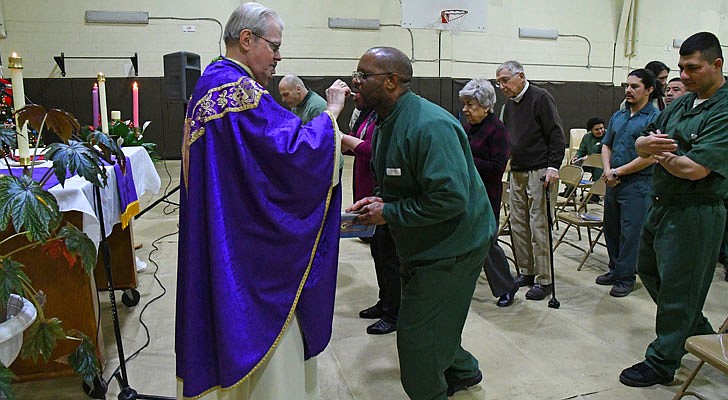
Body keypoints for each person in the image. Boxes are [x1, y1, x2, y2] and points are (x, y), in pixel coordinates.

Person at [176, 3, 351, 399]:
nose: (278, 57)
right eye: (274, 46)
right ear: (246, 39)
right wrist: (332, 116)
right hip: (252, 249)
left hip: (229, 228)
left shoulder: (209, 83)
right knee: (268, 333)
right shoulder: (238, 90)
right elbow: (292, 154)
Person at [347, 47, 494, 399]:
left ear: (392, 81)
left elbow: (450, 198)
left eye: (364, 75)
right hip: (425, 242)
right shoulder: (385, 122)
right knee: (435, 323)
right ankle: (464, 370)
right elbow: (400, 180)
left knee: (415, 342)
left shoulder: (430, 126)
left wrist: (391, 213)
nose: (355, 82)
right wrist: (381, 199)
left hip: (455, 246)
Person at [620, 31, 728, 387]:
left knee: (679, 289)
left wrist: (655, 152)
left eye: (692, 67)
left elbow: (694, 169)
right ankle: (697, 330)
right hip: (662, 204)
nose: (683, 75)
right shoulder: (684, 102)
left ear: (717, 64)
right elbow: (642, 140)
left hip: (696, 211)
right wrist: (652, 147)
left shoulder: (724, 108)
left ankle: (663, 361)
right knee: (647, 270)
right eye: (681, 67)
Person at [495, 60, 565, 300]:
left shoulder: (540, 97)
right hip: (518, 170)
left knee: (539, 226)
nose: (501, 86)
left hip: (540, 171)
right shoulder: (511, 104)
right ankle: (526, 270)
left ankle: (544, 279)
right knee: (518, 223)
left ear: (521, 76)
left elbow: (556, 134)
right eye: (499, 82)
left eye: (505, 80)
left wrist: (554, 166)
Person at [597, 69, 660, 297]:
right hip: (613, 182)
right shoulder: (619, 115)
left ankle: (626, 277)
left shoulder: (654, 118)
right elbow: (606, 144)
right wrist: (607, 170)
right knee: (611, 227)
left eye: (635, 86)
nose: (628, 90)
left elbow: (651, 156)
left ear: (649, 89)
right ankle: (614, 269)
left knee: (631, 233)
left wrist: (618, 171)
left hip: (637, 184)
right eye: (627, 85)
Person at [341, 100, 401, 335]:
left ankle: (393, 313)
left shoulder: (388, 119)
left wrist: (348, 140)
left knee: (389, 258)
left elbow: (372, 150)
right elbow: (356, 145)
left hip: (382, 197)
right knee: (378, 254)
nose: (357, 90)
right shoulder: (368, 115)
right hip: (366, 192)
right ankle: (384, 302)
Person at [458, 78, 518, 307]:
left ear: (486, 106)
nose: (465, 109)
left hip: (486, 197)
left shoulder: (497, 130)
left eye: (470, 105)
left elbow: (496, 169)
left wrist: (467, 160)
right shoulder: (470, 127)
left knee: (487, 244)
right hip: (467, 194)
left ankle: (507, 286)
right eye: (465, 104)